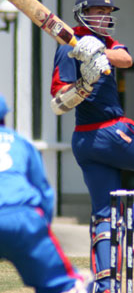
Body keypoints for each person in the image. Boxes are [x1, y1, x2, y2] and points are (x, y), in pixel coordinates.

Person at [49, 0, 134, 293]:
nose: (105, 16)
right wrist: (83, 83)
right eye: (97, 11)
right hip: (109, 131)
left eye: (107, 12)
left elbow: (127, 60)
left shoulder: (102, 43)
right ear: (81, 13)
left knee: (103, 213)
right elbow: (58, 103)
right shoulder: (68, 48)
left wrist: (97, 52)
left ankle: (103, 284)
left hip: (86, 144)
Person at [0, 95, 93, 293]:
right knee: (60, 285)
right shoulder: (20, 143)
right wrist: (43, 229)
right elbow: (44, 192)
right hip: (23, 217)